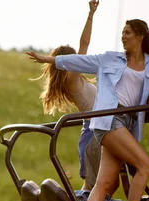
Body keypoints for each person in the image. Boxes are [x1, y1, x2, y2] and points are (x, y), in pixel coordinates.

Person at [27, 19, 149, 201]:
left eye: (128, 33)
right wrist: (48, 59)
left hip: (120, 123)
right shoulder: (98, 66)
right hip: (107, 122)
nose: (123, 36)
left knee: (105, 183)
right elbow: (81, 55)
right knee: (144, 166)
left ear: (140, 36)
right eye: (123, 32)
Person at [28, 1, 99, 190]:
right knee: (92, 186)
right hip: (94, 132)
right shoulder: (73, 78)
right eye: (73, 57)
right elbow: (84, 45)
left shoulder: (77, 79)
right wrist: (90, 15)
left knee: (107, 182)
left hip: (96, 129)